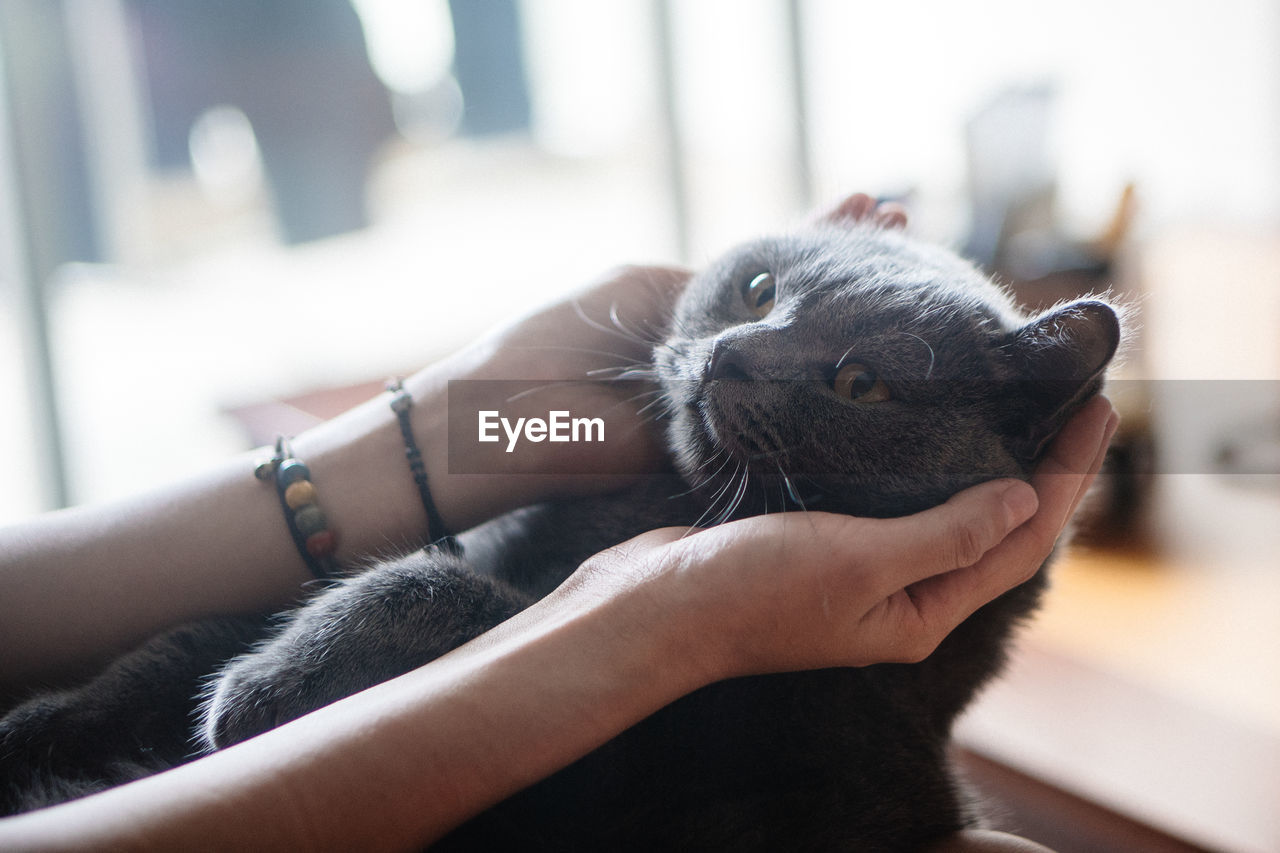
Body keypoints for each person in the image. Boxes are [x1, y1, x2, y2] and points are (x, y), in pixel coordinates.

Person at [0, 198, 1118, 850]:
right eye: (761, 288)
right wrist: (655, 623)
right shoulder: (614, 464)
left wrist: (455, 429)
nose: (735, 350)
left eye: (858, 383)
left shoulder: (848, 785)